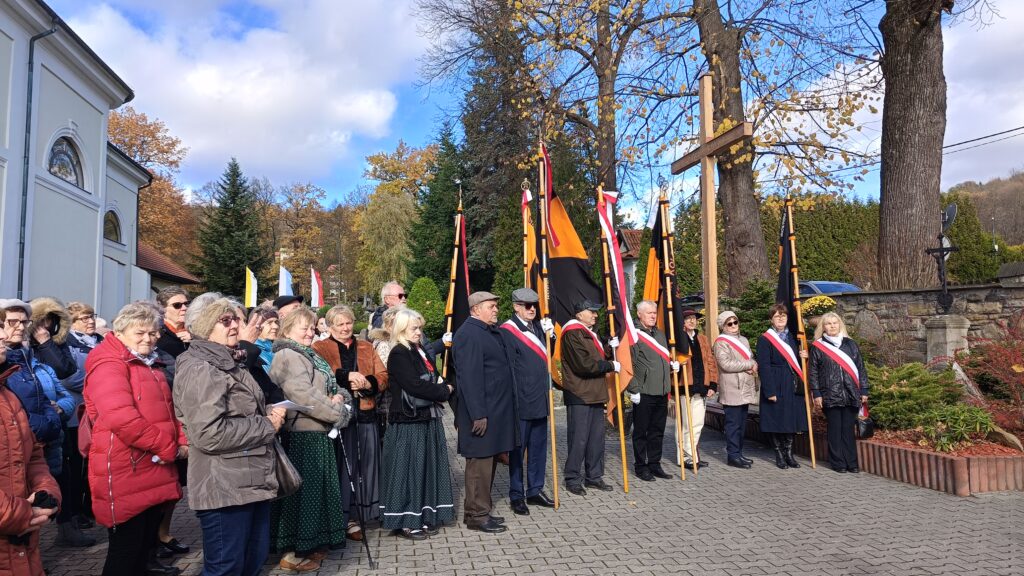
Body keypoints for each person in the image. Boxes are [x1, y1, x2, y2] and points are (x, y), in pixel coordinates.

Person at [174, 293, 287, 576]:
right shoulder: (201, 368)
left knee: (251, 562)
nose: (236, 325)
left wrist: (270, 410)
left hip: (248, 480)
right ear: (204, 325)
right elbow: (209, 433)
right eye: (225, 320)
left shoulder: (230, 360)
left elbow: (241, 411)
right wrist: (266, 425)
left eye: (236, 318)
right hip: (223, 488)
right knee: (225, 568)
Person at [84, 302, 186, 576]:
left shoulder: (148, 362)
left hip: (152, 461)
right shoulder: (109, 363)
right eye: (140, 332)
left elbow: (169, 407)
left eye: (153, 333)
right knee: (125, 549)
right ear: (121, 332)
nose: (148, 338)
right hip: (125, 463)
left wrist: (182, 439)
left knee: (144, 544)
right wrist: (168, 446)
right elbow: (121, 418)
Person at [269, 306, 352, 572]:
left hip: (317, 429)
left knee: (317, 492)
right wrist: (336, 412)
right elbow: (301, 394)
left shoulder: (308, 353)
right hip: (302, 432)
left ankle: (312, 543)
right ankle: (293, 551)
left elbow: (328, 384)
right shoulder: (287, 355)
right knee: (303, 493)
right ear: (288, 329)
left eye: (311, 327)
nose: (309, 332)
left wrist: (339, 396)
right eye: (303, 327)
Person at [312, 305, 388, 542]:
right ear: (330, 326)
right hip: (339, 417)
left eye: (348, 323)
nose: (345, 328)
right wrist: (346, 376)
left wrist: (368, 384)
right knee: (345, 469)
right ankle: (344, 517)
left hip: (366, 412)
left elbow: (383, 375)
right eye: (340, 324)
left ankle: (365, 512)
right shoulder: (320, 348)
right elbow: (320, 375)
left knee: (367, 463)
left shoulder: (366, 346)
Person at [381, 309, 455, 540]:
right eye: (414, 328)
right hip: (408, 418)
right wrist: (443, 391)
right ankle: (406, 520)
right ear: (402, 329)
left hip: (425, 416)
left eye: (419, 328)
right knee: (408, 469)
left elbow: (427, 378)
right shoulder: (399, 353)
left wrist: (439, 384)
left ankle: (423, 514)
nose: (419, 332)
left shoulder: (418, 350)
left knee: (423, 468)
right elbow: (413, 385)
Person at [0, 307, 62, 576]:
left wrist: (47, 493)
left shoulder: (7, 394)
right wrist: (20, 514)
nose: (4, 335)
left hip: (23, 541)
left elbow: (33, 453)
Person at [453, 292, 517, 533]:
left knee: (487, 463)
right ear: (476, 309)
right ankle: (477, 516)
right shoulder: (469, 334)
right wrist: (478, 413)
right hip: (480, 414)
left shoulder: (486, 332)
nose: (496, 310)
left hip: (493, 412)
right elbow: (468, 377)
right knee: (479, 465)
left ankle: (480, 510)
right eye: (491, 306)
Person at [498, 288, 556, 516]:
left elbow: (543, 358)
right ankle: (516, 494)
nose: (532, 309)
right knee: (517, 451)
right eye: (527, 305)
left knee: (539, 449)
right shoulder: (508, 331)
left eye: (534, 305)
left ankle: (535, 489)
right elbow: (508, 369)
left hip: (539, 398)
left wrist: (551, 336)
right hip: (521, 401)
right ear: (515, 306)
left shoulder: (539, 328)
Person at [0, 300, 75, 478]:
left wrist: (59, 409)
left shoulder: (34, 362)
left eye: (24, 322)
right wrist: (46, 424)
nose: (20, 327)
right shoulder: (7, 365)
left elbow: (64, 395)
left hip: (50, 447)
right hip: (23, 449)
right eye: (12, 322)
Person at [53, 302, 102, 546]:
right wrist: (100, 379)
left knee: (91, 463)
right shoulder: (66, 344)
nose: (90, 321)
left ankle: (87, 507)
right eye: (83, 318)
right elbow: (68, 376)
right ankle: (73, 512)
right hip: (74, 414)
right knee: (74, 465)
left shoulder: (99, 340)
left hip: (94, 411)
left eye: (91, 316)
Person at [559, 299, 619, 496]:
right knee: (579, 439)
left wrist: (611, 348)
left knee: (596, 439)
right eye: (591, 311)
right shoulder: (572, 333)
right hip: (580, 392)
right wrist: (610, 366)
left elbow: (598, 356)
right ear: (579, 314)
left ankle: (594, 476)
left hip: (595, 392)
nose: (595, 314)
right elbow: (584, 365)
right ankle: (572, 478)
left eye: (596, 311)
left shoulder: (589, 333)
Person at [153, 287, 192, 560]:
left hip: (188, 415)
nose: (183, 309)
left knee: (177, 485)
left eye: (186, 304)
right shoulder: (160, 339)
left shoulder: (191, 335)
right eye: (177, 305)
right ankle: (156, 536)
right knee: (165, 483)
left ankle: (163, 533)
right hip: (167, 416)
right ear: (163, 308)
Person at [809, 312, 870, 473]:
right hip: (830, 393)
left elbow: (860, 368)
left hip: (851, 393)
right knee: (835, 430)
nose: (832, 326)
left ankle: (852, 462)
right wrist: (816, 393)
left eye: (835, 323)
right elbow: (813, 372)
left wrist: (864, 389)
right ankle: (838, 463)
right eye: (828, 323)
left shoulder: (851, 344)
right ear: (823, 327)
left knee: (848, 430)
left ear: (840, 325)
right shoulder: (817, 346)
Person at [626, 300, 680, 482]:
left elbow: (661, 358)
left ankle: (655, 464)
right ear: (639, 314)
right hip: (643, 391)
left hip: (662, 390)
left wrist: (672, 365)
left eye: (654, 312)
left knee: (657, 431)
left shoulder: (660, 334)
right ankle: (641, 467)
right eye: (649, 313)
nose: (653, 315)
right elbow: (629, 364)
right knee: (641, 432)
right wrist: (633, 389)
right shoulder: (633, 335)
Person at [756, 304, 810, 469]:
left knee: (790, 419)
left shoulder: (793, 338)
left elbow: (797, 362)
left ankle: (789, 453)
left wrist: (804, 356)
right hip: (775, 382)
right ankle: (779, 454)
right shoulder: (765, 339)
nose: (780, 319)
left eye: (783, 316)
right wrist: (769, 390)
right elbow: (764, 366)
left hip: (791, 383)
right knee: (776, 420)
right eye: (777, 316)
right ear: (771, 319)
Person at [713, 311, 757, 469]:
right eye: (729, 323)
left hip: (745, 386)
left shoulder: (743, 340)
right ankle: (733, 455)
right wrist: (749, 365)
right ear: (723, 326)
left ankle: (739, 453)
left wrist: (753, 365)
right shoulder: (720, 342)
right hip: (732, 387)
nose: (733, 326)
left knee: (742, 424)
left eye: (735, 322)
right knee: (733, 424)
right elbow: (726, 364)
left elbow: (750, 358)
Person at [678, 309, 718, 468]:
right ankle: (685, 457)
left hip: (701, 387)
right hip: (685, 387)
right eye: (688, 318)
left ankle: (692, 455)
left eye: (693, 318)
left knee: (698, 423)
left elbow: (710, 362)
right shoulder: (679, 339)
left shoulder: (702, 339)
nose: (691, 321)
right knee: (687, 424)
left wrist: (713, 384)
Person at [251, 306, 279, 371]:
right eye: (269, 322)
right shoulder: (253, 353)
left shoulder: (273, 349)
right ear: (257, 325)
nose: (276, 326)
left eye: (276, 322)